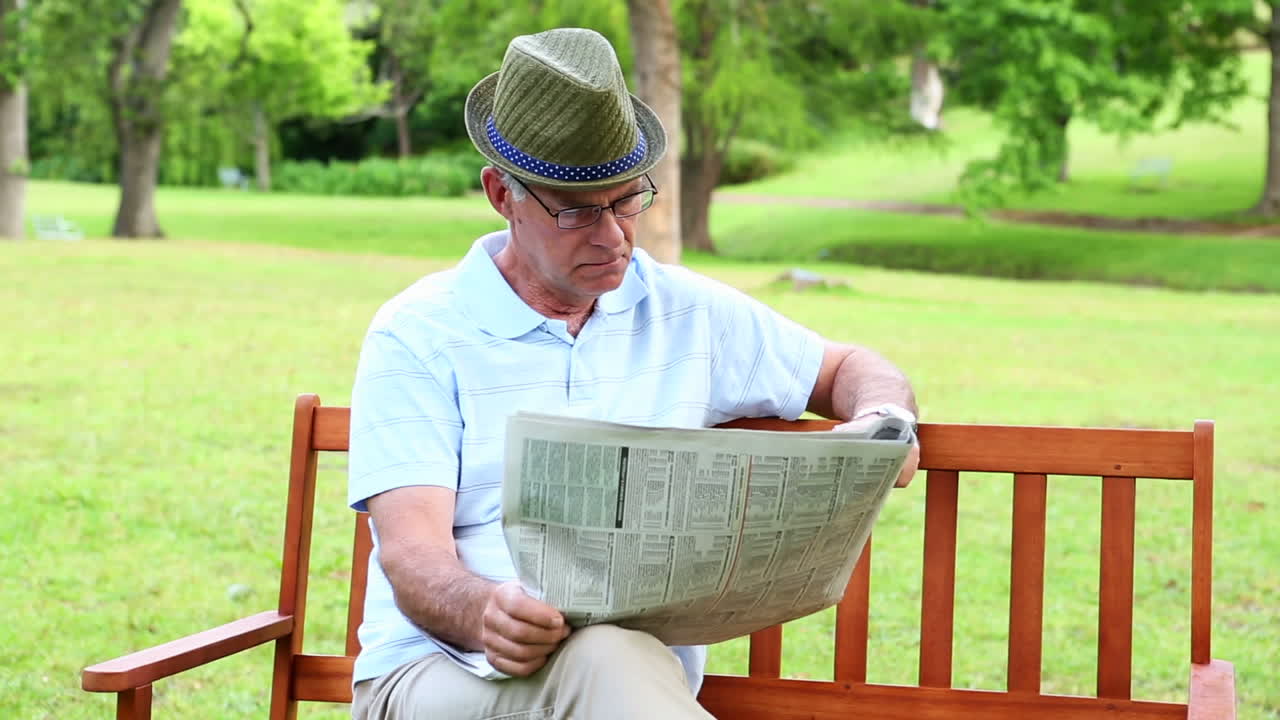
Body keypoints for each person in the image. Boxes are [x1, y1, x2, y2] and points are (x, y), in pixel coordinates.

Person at [347, 27, 920, 720]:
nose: (614, 235)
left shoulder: (687, 312)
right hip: (438, 674)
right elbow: (412, 557)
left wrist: (887, 418)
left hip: (621, 682)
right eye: (579, 211)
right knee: (608, 655)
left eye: (627, 202)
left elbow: (851, 367)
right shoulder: (419, 332)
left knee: (611, 652)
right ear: (502, 194)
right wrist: (485, 611)